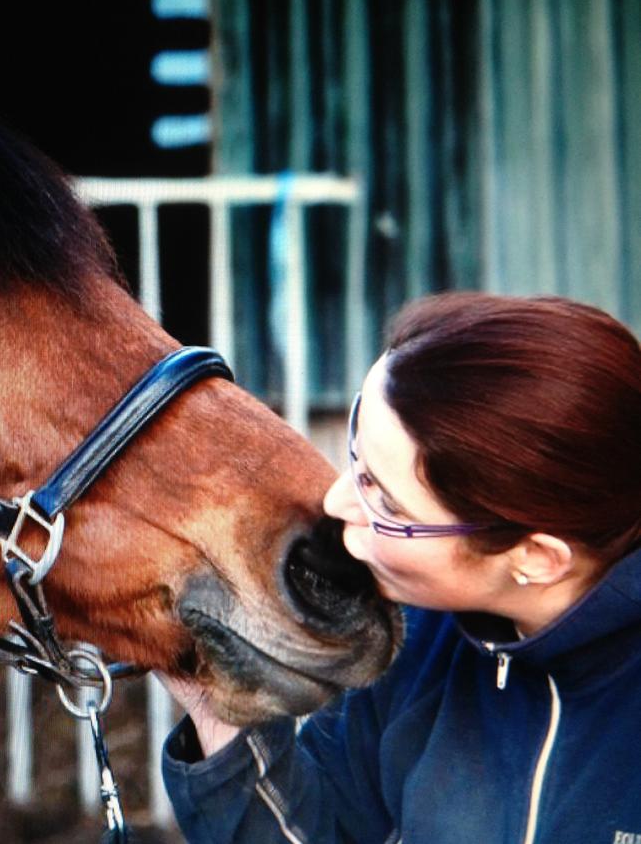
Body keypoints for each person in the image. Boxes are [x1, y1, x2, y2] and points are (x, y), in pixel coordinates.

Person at [160, 292, 641, 844]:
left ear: (535, 557)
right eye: (356, 459)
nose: (337, 504)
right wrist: (212, 697)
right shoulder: (420, 642)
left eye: (386, 503)